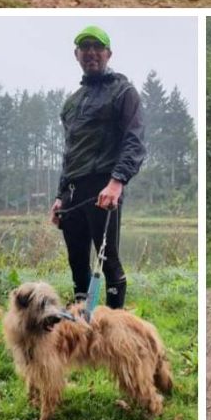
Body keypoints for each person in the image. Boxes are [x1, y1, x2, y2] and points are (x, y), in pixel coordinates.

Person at [49, 26, 145, 309]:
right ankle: (82, 318)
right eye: (85, 47)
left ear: (108, 54)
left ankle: (116, 324)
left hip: (104, 186)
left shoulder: (123, 92)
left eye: (97, 47)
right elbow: (70, 153)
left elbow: (134, 141)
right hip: (73, 192)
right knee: (76, 258)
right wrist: (59, 195)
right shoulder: (71, 103)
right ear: (76, 54)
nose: (91, 52)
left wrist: (117, 182)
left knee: (107, 259)